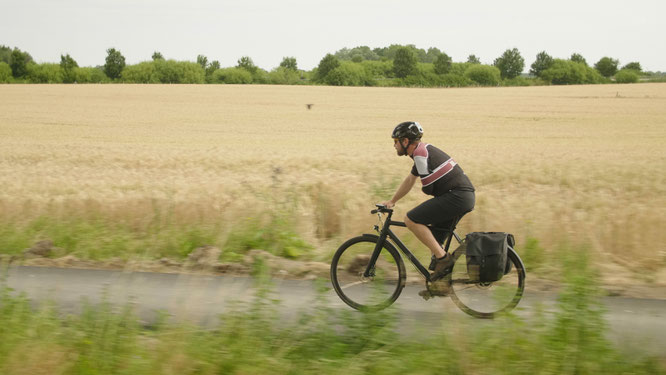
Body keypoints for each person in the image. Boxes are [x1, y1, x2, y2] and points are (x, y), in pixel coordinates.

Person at [381, 121, 475, 287]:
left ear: (405, 141)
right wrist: (392, 201)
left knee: (411, 219)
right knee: (434, 239)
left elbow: (428, 188)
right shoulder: (422, 152)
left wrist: (428, 184)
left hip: (457, 196)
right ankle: (441, 285)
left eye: (395, 141)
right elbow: (410, 180)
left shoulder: (420, 154)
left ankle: (444, 260)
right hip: (462, 196)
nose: (394, 145)